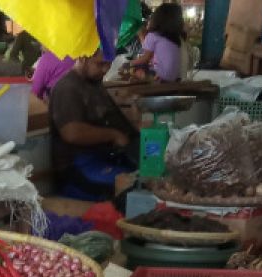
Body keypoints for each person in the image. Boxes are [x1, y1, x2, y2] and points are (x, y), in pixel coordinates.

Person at [48, 50, 139, 200]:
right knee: (134, 188)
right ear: (83, 57)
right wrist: (113, 134)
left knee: (149, 178)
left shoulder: (94, 84)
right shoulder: (67, 87)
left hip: (103, 160)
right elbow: (72, 133)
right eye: (100, 64)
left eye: (108, 65)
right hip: (78, 169)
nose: (105, 70)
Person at [129, 3, 184, 82]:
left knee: (135, 68)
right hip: (174, 78)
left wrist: (129, 64)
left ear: (156, 19)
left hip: (161, 77)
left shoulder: (153, 35)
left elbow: (145, 58)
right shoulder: (175, 39)